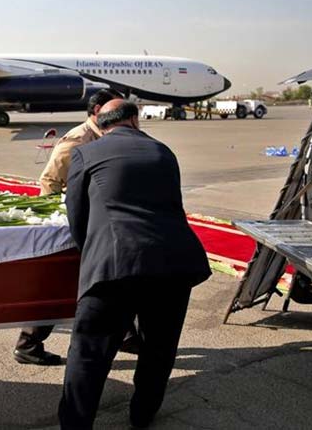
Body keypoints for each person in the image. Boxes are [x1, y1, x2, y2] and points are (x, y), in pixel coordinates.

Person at [59, 99, 212, 429]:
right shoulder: (163, 151)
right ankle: (142, 416)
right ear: (134, 119)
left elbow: (76, 214)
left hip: (115, 265)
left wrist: (94, 253)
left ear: (101, 125)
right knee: (159, 348)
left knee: (89, 352)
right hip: (173, 264)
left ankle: (76, 424)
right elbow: (172, 205)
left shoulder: (87, 153)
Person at [15, 89, 120, 367]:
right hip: (79, 224)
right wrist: (60, 223)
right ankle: (28, 343)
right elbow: (49, 180)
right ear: (97, 111)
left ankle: (126, 335)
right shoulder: (78, 139)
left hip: (100, 221)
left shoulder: (105, 136)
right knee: (65, 285)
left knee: (110, 280)